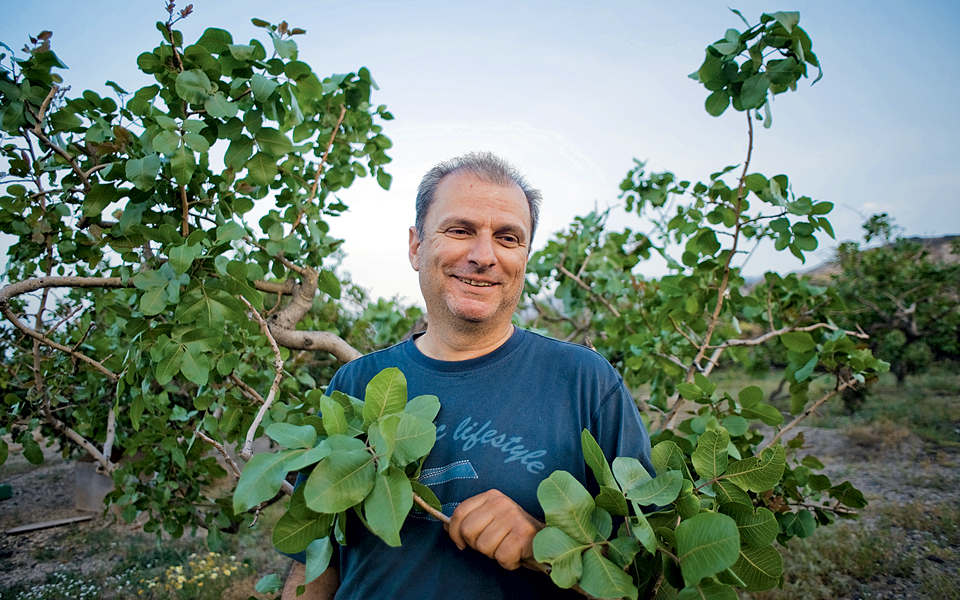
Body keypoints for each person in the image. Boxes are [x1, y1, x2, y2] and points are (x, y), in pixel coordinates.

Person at [283, 152, 654, 599]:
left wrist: (547, 546)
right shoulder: (356, 384)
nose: (484, 256)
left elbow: (643, 576)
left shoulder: (586, 383)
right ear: (416, 246)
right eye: (460, 231)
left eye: (508, 237)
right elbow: (313, 565)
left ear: (525, 256)